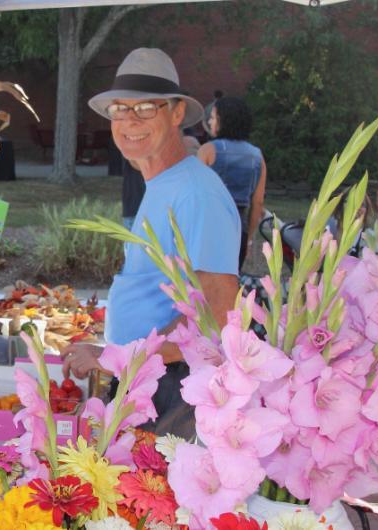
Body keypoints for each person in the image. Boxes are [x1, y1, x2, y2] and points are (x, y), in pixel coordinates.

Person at [62, 48, 241, 438]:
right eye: (120, 109)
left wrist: (115, 358)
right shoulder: (163, 183)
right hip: (148, 380)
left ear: (177, 113)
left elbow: (216, 315)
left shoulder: (196, 193)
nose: (129, 121)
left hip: (170, 390)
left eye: (145, 108)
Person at [197, 96, 266, 270]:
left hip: (208, 229)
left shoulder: (207, 150)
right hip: (238, 231)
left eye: (213, 118)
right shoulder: (257, 156)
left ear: (223, 120)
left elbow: (194, 195)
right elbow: (258, 204)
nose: (210, 122)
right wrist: (249, 238)